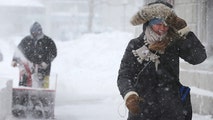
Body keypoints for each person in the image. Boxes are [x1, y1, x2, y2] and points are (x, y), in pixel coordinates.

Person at [117, 1, 207, 120]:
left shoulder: (175, 43)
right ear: (149, 23)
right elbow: (125, 75)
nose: (162, 28)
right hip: (143, 110)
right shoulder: (136, 44)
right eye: (158, 23)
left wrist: (185, 30)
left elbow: (198, 57)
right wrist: (129, 95)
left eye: (166, 24)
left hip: (172, 110)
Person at [11, 22, 57, 88]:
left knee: (43, 86)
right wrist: (14, 60)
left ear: (39, 31)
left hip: (43, 69)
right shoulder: (26, 40)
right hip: (28, 67)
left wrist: (46, 62)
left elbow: (53, 53)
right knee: (24, 80)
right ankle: (23, 93)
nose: (34, 34)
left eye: (35, 33)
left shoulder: (48, 41)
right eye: (32, 33)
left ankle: (43, 95)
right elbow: (18, 50)